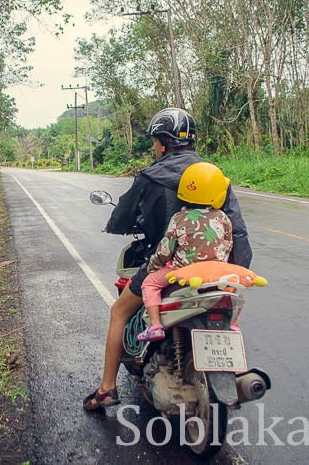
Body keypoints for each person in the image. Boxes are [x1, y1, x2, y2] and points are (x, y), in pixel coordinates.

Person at [83, 107, 252, 411]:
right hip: (216, 272)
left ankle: (107, 388)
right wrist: (236, 270)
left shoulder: (151, 175)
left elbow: (122, 216)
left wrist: (120, 224)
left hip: (169, 265)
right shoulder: (214, 177)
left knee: (119, 312)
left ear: (162, 142)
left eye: (154, 142)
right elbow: (238, 230)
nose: (154, 147)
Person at [137, 162, 233, 342]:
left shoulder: (180, 218)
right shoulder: (223, 217)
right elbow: (228, 244)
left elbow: (165, 249)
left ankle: (155, 325)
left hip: (182, 272)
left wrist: (153, 267)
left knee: (150, 284)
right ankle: (233, 324)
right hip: (216, 272)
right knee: (232, 291)